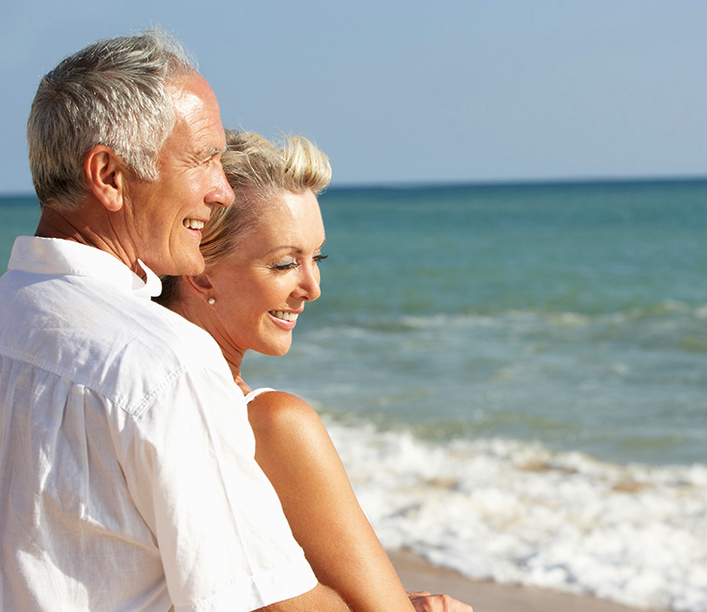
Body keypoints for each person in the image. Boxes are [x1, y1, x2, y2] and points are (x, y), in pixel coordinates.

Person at [0, 31, 349, 612]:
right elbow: (263, 605)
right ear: (109, 175)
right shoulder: (164, 364)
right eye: (202, 159)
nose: (223, 192)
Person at [157, 129, 472, 612]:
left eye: (316, 257)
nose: (313, 287)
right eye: (285, 264)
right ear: (200, 271)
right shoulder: (271, 423)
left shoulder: (140, 390)